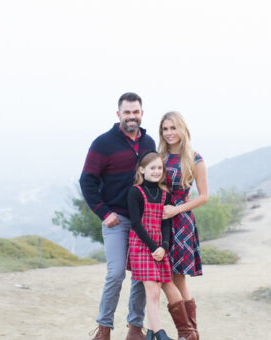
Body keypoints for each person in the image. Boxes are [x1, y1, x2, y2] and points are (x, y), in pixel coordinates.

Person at [81, 92, 155, 340]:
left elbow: (154, 177)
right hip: (116, 219)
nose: (131, 117)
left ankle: (135, 328)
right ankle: (103, 329)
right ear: (118, 114)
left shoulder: (149, 143)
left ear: (142, 114)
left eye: (136, 112)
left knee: (141, 274)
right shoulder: (103, 143)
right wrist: (103, 212)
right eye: (127, 112)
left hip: (143, 220)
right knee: (115, 274)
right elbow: (87, 181)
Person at [126, 152, 197, 340]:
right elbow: (136, 224)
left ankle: (155, 332)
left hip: (160, 247)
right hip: (142, 246)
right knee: (153, 291)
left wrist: (164, 246)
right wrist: (153, 247)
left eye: (159, 168)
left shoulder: (165, 194)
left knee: (166, 285)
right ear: (142, 170)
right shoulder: (135, 192)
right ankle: (160, 333)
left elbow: (166, 222)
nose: (156, 171)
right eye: (152, 168)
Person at [158, 111, 208, 339]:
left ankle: (188, 333)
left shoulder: (194, 158)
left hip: (181, 219)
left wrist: (176, 209)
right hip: (160, 219)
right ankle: (191, 333)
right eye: (165, 129)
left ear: (182, 129)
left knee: (176, 277)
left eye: (173, 128)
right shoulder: (159, 156)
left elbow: (204, 196)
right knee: (168, 277)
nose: (169, 133)